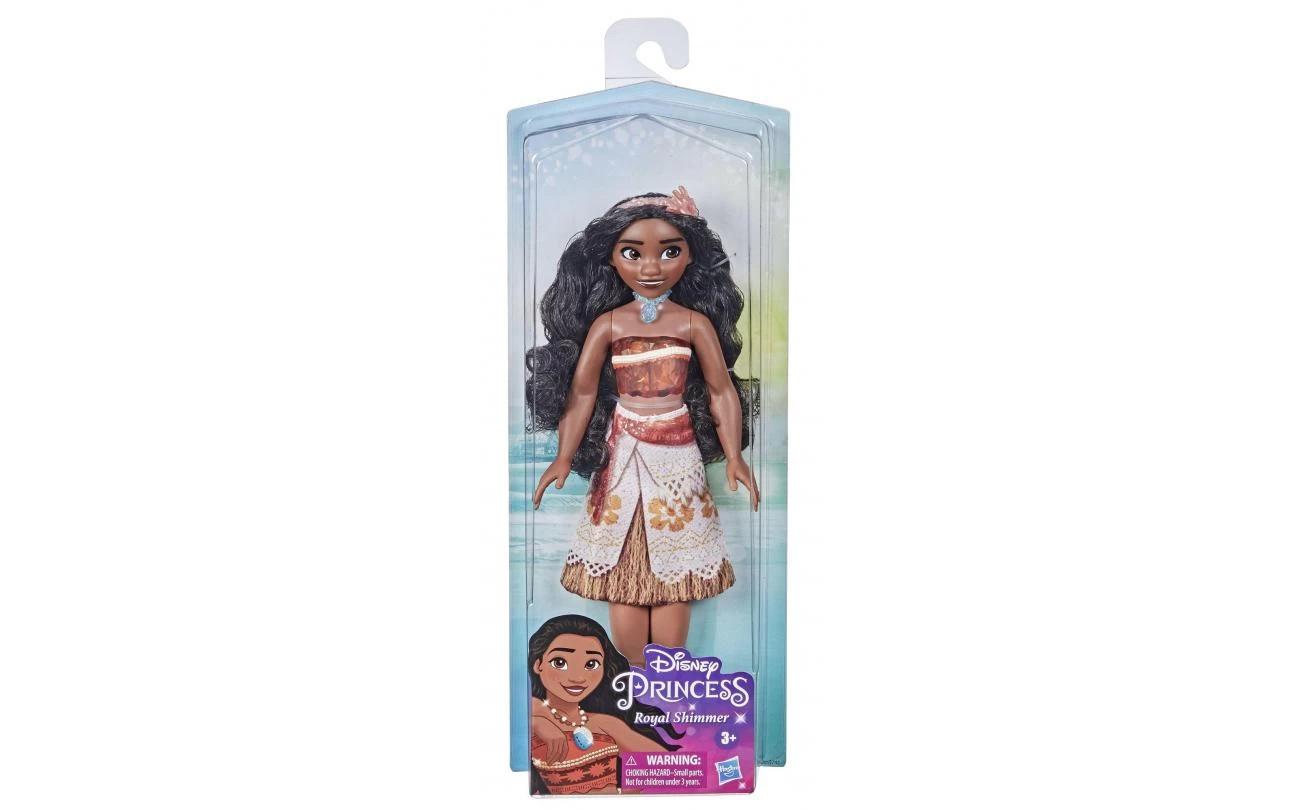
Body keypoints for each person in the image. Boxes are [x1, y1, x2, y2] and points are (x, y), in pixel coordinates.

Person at [527, 187, 759, 667]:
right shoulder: (609, 324)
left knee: (677, 570)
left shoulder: (692, 323)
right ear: (611, 258)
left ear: (690, 257)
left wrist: (734, 455)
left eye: (669, 251)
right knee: (622, 567)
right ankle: (635, 677)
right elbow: (583, 393)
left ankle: (668, 677)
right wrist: (563, 457)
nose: (651, 267)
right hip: (623, 453)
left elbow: (720, 390)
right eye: (633, 253)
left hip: (677, 456)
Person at [528, 614, 682, 795]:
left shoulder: (604, 723)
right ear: (538, 664)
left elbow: (668, 765)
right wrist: (538, 722)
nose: (578, 677)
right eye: (559, 662)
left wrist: (629, 790)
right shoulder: (532, 714)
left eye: (591, 664)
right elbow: (524, 712)